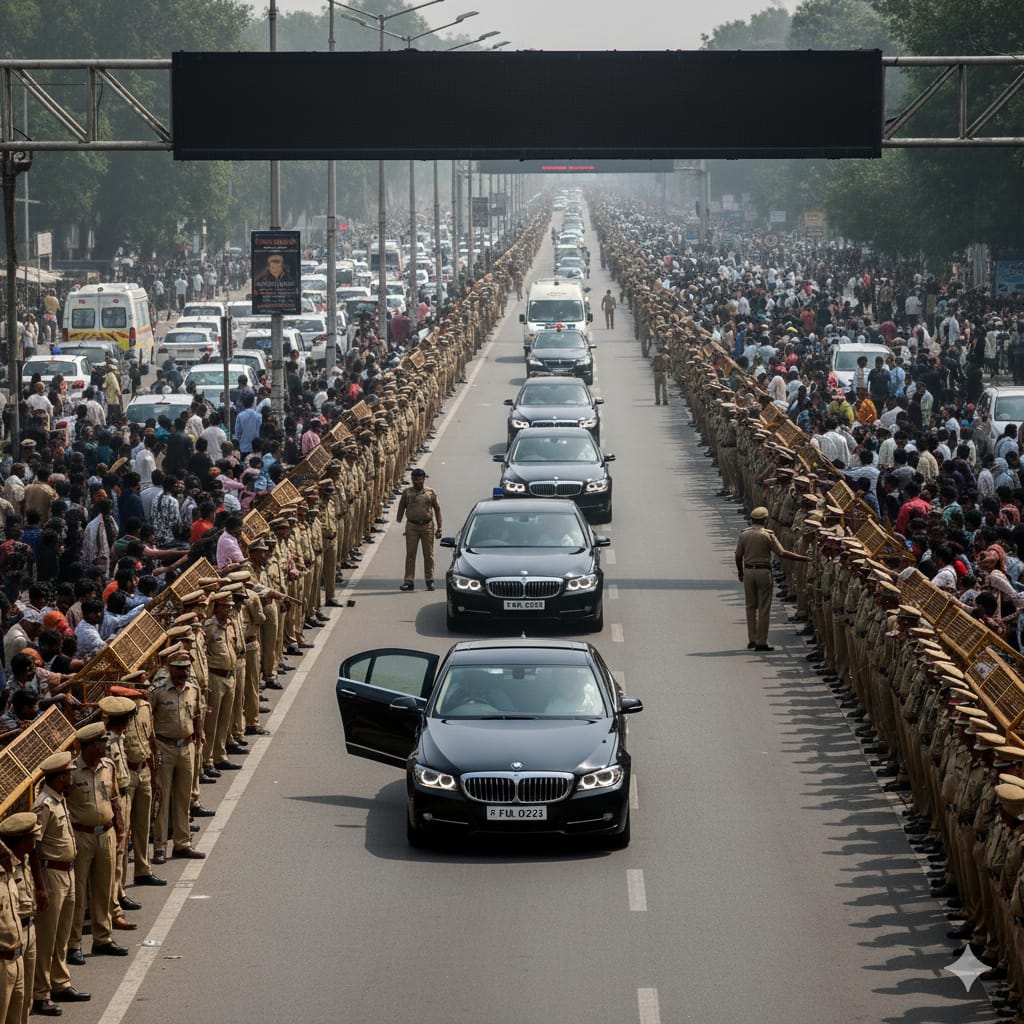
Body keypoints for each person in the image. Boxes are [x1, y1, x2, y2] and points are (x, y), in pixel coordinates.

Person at [66, 722, 128, 962]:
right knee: (79, 893)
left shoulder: (108, 766)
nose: (105, 746)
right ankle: (74, 944)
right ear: (90, 746)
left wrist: (120, 829)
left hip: (106, 833)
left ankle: (103, 938)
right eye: (101, 742)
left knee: (104, 887)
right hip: (82, 835)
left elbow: (113, 799)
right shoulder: (71, 772)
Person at [734, 506, 809, 652]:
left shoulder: (744, 535)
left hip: (749, 571)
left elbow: (738, 556)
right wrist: (802, 558)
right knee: (763, 608)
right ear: (765, 520)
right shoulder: (768, 535)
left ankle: (752, 639)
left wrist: (740, 572)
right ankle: (762, 641)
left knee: (750, 606)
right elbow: (782, 553)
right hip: (764, 572)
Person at [395, 468, 442, 592]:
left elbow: (437, 509)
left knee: (429, 555)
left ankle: (430, 580)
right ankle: (408, 581)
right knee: (410, 554)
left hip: (427, 526)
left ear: (423, 479)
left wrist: (440, 528)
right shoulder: (407, 492)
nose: (417, 482)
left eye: (420, 479)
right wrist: (399, 519)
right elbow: (401, 506)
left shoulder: (430, 492)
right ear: (412, 480)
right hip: (412, 527)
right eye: (415, 479)